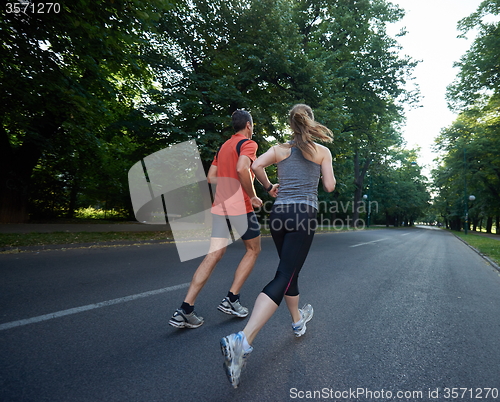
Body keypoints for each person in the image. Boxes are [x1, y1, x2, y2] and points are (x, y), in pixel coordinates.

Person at [220, 104, 336, 388]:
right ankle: (242, 340)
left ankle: (298, 320)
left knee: (289, 272)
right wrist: (321, 173)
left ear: (291, 123)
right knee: (284, 275)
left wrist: (269, 186)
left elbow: (255, 166)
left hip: (279, 215)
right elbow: (330, 187)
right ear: (310, 122)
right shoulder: (322, 151)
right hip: (303, 215)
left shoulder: (279, 149)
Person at [169, 109, 277, 329]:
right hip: (240, 207)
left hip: (220, 207)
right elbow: (242, 168)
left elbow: (211, 177)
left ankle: (185, 309)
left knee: (214, 254)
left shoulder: (224, 146)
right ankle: (232, 299)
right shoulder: (248, 143)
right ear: (248, 125)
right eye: (252, 124)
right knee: (253, 250)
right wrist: (253, 196)